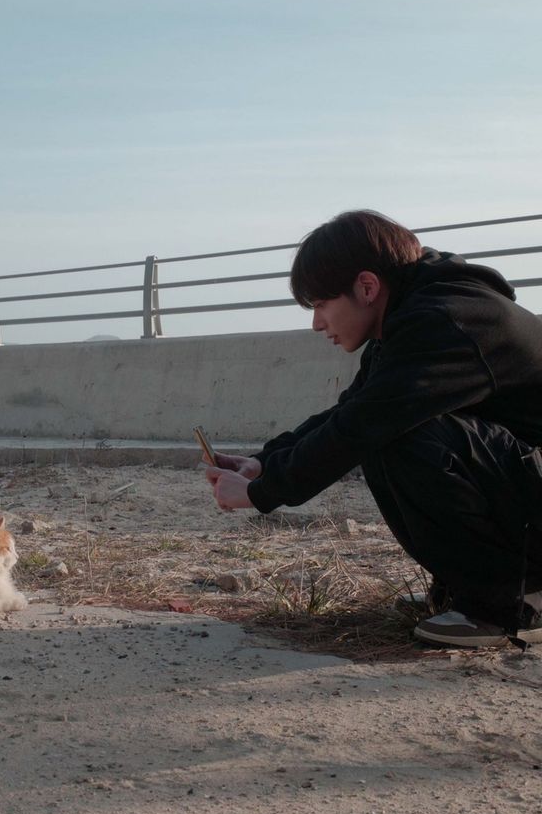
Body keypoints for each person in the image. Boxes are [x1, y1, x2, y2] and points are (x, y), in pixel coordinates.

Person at [204, 209, 542, 648]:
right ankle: (473, 591)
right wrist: (264, 463)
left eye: (322, 304)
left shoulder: (445, 321)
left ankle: (509, 607)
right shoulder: (411, 318)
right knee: (389, 431)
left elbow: (362, 426)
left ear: (366, 286)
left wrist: (258, 494)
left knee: (402, 436)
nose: (316, 323)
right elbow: (351, 412)